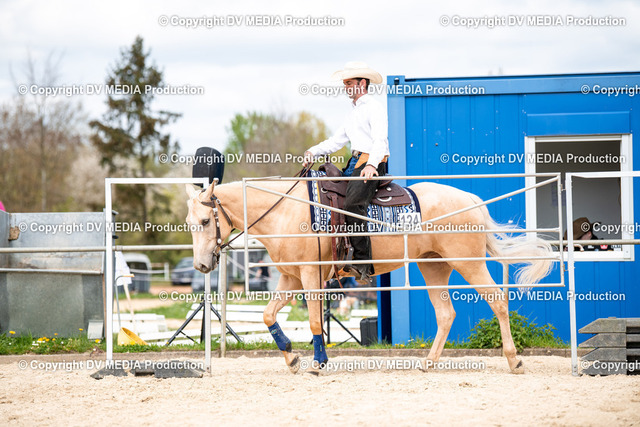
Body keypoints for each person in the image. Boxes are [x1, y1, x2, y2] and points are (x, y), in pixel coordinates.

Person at [303, 61, 390, 284]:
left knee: (353, 204)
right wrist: (313, 151)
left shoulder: (374, 107)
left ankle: (363, 263)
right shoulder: (353, 113)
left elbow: (380, 140)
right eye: (345, 83)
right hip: (355, 162)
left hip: (372, 161)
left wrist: (372, 165)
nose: (346, 87)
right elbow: (336, 141)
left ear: (362, 83)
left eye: (349, 83)